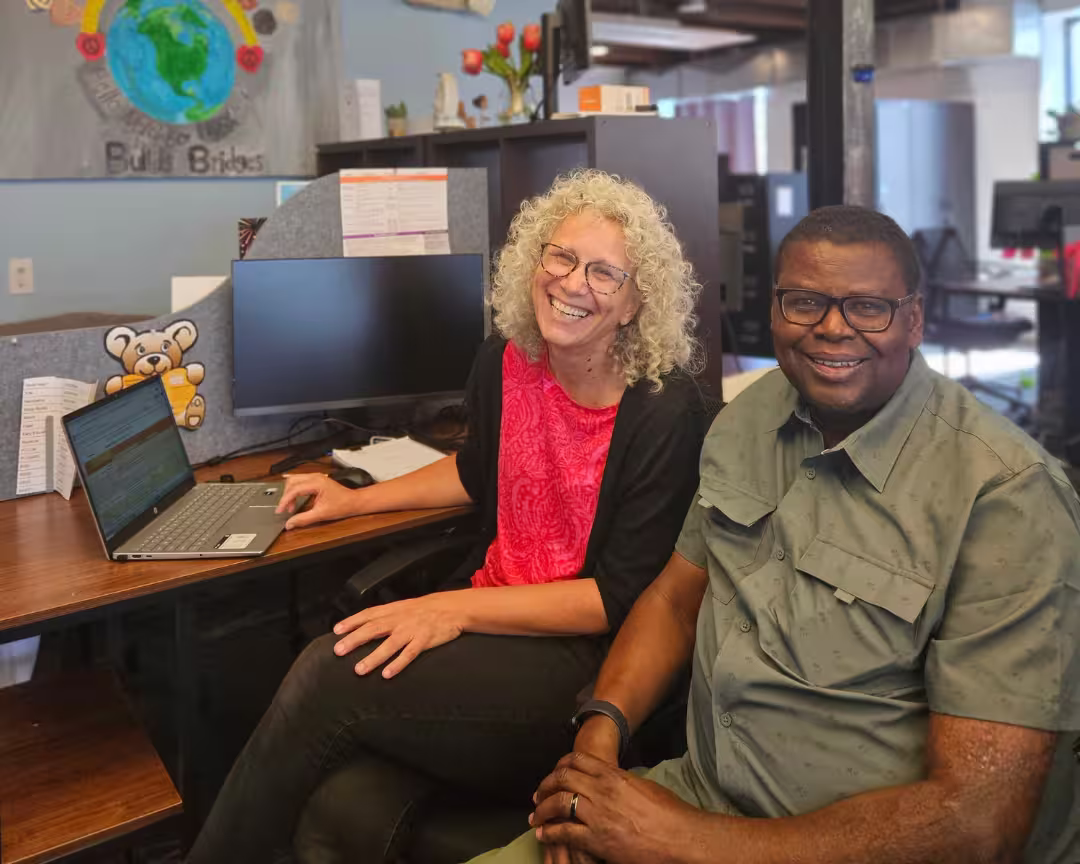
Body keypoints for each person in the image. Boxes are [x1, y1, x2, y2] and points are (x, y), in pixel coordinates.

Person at [473, 205, 1080, 864]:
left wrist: (681, 842)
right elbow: (676, 601)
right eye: (805, 302)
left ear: (915, 319)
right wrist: (598, 738)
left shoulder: (1006, 495)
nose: (832, 329)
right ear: (773, 309)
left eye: (868, 308)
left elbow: (978, 821)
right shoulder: (749, 418)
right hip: (693, 797)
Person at [187, 169, 710, 863]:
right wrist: (354, 497)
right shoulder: (509, 361)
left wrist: (451, 611)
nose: (573, 282)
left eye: (604, 272)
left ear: (636, 302)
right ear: (533, 260)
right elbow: (476, 470)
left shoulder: (664, 409)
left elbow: (615, 599)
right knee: (344, 801)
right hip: (492, 621)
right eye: (560, 256)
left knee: (326, 673)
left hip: (580, 665)